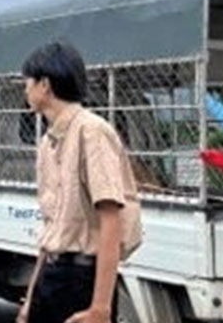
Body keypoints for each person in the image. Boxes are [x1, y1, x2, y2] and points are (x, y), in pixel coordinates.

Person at [18, 42, 142, 323]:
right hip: (51, 276)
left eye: (28, 81)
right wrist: (31, 298)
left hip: (82, 280)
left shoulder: (92, 132)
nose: (25, 88)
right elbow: (51, 229)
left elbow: (112, 220)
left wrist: (100, 308)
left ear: (45, 85)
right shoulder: (48, 142)